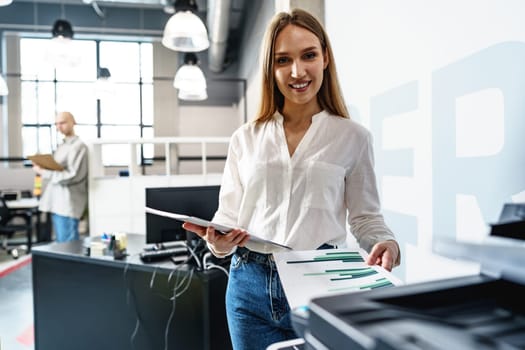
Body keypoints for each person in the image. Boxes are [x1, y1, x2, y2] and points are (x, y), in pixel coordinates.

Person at [182, 8, 400, 350]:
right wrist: (218, 242)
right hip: (247, 288)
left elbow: (365, 217)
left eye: (308, 55)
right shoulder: (245, 138)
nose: (297, 72)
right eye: (283, 60)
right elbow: (228, 215)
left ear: (325, 58)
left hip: (319, 285)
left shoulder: (353, 137)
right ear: (271, 68)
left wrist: (385, 243)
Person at [33, 111, 88, 243]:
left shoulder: (79, 146)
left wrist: (44, 173)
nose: (59, 127)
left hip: (68, 204)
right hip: (57, 202)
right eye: (56, 124)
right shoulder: (62, 146)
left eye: (62, 122)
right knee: (62, 245)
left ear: (73, 122)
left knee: (68, 246)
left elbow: (72, 175)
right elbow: (58, 169)